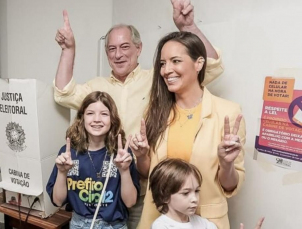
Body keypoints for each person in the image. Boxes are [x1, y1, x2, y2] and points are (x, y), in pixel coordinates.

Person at [53, 1, 224, 228]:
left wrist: (189, 27)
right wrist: (68, 50)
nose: (118, 54)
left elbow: (211, 67)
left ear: (139, 48)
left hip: (145, 188)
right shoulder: (98, 85)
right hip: (105, 192)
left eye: (125, 47)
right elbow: (64, 94)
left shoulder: (158, 79)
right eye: (112, 49)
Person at [131, 31, 246, 229]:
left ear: (199, 63)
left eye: (175, 61)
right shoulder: (155, 111)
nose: (167, 70)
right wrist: (141, 156)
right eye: (162, 64)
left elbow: (230, 186)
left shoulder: (228, 112)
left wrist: (226, 164)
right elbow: (148, 173)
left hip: (206, 222)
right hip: (156, 219)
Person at [46, 91, 140, 229]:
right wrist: (62, 173)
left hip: (114, 225)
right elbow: (58, 201)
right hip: (79, 224)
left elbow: (130, 202)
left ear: (112, 119)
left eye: (104, 114)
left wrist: (124, 170)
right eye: (90, 113)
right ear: (82, 118)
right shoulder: (68, 154)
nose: (97, 119)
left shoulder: (122, 155)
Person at [150, 158, 218, 229]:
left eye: (196, 191)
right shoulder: (160, 226)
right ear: (165, 197)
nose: (194, 199)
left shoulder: (203, 224)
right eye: (185, 193)